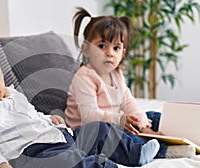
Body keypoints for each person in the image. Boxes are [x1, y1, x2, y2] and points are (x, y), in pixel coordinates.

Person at [0, 46, 160, 168]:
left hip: (57, 136)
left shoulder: (11, 95)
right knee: (69, 162)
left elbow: (30, 115)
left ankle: (135, 152)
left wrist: (48, 120)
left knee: (98, 130)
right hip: (29, 154)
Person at [65, 7, 195, 158]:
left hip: (115, 121)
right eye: (102, 46)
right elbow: (89, 115)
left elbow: (128, 101)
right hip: (90, 133)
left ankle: (185, 137)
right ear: (86, 49)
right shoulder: (85, 77)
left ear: (123, 53)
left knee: (154, 117)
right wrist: (120, 119)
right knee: (115, 136)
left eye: (116, 48)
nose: (109, 53)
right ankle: (162, 151)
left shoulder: (116, 74)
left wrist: (142, 123)